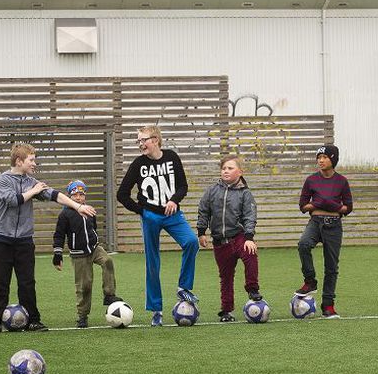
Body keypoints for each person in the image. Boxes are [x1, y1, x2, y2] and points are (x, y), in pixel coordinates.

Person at [0, 143, 96, 333]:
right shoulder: (1, 180)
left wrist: (77, 207)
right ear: (19, 161)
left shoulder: (32, 182)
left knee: (27, 282)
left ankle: (33, 320)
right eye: (31, 160)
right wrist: (34, 191)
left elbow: (55, 195)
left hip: (24, 241)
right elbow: (13, 200)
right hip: (1, 239)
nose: (34, 163)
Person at [116, 125, 199, 327]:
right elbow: (122, 194)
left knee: (191, 242)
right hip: (150, 216)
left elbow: (182, 186)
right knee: (152, 263)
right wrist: (142, 211)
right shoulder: (138, 164)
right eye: (138, 141)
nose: (141, 144)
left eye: (143, 140)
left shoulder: (172, 158)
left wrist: (174, 200)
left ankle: (184, 288)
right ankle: (156, 310)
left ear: (156, 140)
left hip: (173, 214)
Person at [197, 155, 263, 322]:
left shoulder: (245, 193)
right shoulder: (212, 191)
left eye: (230, 168)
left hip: (239, 237)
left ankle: (252, 289)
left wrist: (249, 237)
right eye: (224, 168)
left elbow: (250, 215)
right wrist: (201, 232)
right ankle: (226, 310)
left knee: (250, 255)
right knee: (225, 276)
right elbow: (204, 211)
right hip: (220, 242)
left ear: (240, 172)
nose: (226, 171)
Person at [53, 179, 122, 328]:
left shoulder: (90, 211)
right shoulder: (65, 215)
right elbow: (59, 235)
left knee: (108, 261)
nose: (78, 198)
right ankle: (82, 316)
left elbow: (93, 228)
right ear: (69, 196)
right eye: (75, 195)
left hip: (94, 248)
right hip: (79, 254)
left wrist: (94, 240)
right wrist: (57, 254)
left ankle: (109, 295)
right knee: (85, 286)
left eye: (81, 194)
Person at [294, 145, 353, 319]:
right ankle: (310, 281)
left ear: (333, 159)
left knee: (331, 267)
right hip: (315, 222)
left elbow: (347, 208)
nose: (320, 160)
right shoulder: (311, 180)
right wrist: (318, 203)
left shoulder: (341, 181)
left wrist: (330, 204)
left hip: (334, 225)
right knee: (303, 244)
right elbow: (303, 206)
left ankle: (328, 305)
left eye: (324, 157)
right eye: (318, 157)